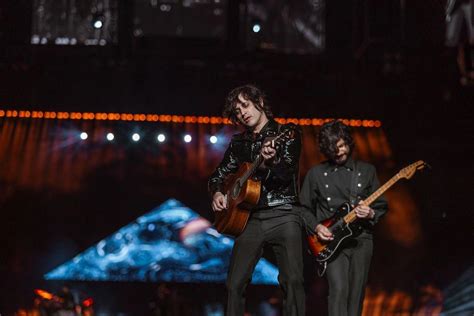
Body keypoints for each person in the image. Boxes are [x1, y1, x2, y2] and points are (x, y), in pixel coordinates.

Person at [208, 84, 305, 316]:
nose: (243, 112)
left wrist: (271, 162)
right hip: (249, 218)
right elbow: (217, 175)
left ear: (259, 101)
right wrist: (218, 193)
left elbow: (287, 172)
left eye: (245, 105)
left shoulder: (287, 133)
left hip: (284, 214)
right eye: (237, 110)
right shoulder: (238, 143)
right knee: (234, 284)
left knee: (293, 282)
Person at [299, 120, 388, 316]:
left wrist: (371, 213)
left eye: (341, 145)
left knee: (356, 293)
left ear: (348, 142)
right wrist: (316, 227)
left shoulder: (366, 171)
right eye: (332, 148)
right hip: (330, 240)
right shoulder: (316, 174)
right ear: (325, 149)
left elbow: (381, 205)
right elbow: (303, 208)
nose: (338, 151)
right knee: (339, 290)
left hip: (360, 239)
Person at [445, 0, 474, 85]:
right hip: (455, 6)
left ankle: (468, 70)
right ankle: (457, 73)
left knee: (471, 36)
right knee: (452, 39)